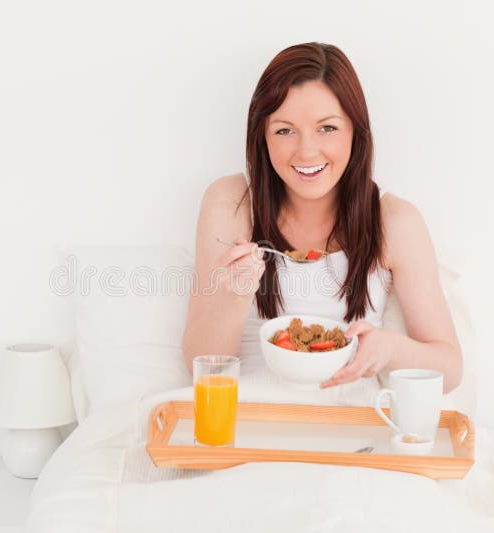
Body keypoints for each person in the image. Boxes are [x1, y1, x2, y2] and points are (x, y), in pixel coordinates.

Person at [182, 42, 462, 393]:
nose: (306, 151)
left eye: (327, 128)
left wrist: (390, 347)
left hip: (349, 430)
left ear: (355, 132)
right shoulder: (231, 203)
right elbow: (199, 361)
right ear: (262, 137)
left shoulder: (395, 221)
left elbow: (450, 370)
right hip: (247, 422)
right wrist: (235, 297)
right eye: (284, 130)